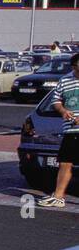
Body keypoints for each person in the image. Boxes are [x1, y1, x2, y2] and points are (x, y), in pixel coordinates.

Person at [39, 53, 79, 207]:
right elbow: (56, 100)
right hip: (70, 130)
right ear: (73, 67)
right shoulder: (65, 80)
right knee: (65, 162)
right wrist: (63, 111)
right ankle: (58, 196)